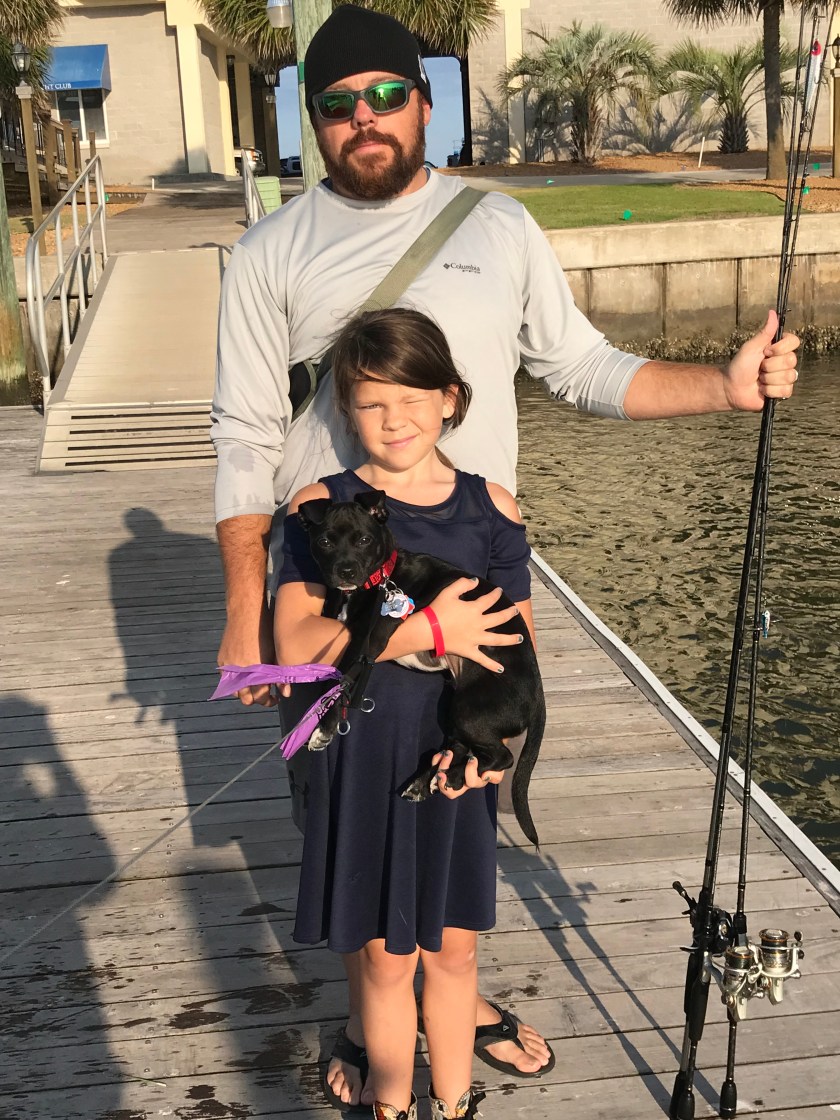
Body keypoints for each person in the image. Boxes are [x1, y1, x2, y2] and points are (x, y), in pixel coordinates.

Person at [210, 5, 799, 1107]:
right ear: (312, 125)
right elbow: (243, 443)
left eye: (386, 95)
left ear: (427, 100)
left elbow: (582, 365)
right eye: (336, 106)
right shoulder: (267, 252)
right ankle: (372, 1009)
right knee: (346, 801)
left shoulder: (499, 224)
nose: (364, 120)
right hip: (342, 587)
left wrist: (721, 387)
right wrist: (247, 614)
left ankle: (454, 992)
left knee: (464, 793)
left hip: (472, 580)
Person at [274, 306, 534, 1120]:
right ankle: (392, 1106)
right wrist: (423, 631)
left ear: (451, 399)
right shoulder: (320, 508)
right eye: (372, 402)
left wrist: (492, 749)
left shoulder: (492, 509)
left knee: (454, 951)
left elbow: (518, 648)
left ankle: (453, 1105)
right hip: (361, 759)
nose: (396, 419)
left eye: (415, 398)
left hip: (453, 762)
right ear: (347, 410)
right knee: (386, 960)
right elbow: (294, 646)